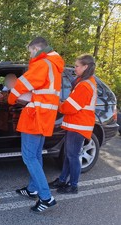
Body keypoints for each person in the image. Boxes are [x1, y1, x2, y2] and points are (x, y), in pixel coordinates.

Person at [8, 37, 65, 213]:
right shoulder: (54, 66)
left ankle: (46, 197)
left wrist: (10, 97)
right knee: (36, 155)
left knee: (29, 157)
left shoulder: (42, 64)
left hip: (34, 117)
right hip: (43, 118)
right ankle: (33, 188)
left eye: (30, 51)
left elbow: (21, 85)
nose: (30, 55)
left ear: (36, 48)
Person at [48, 54, 97, 194]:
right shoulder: (84, 82)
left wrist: (58, 104)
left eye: (76, 66)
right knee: (70, 155)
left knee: (73, 156)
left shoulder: (85, 85)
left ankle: (73, 185)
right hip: (76, 124)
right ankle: (63, 180)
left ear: (85, 67)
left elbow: (70, 107)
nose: (74, 68)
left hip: (79, 125)